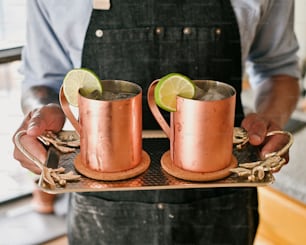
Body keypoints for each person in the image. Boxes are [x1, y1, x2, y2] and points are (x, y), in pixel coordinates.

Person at [13, 0, 300, 244]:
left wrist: (270, 120)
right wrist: (41, 117)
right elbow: (42, 82)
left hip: (223, 206)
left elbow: (277, 69)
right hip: (100, 211)